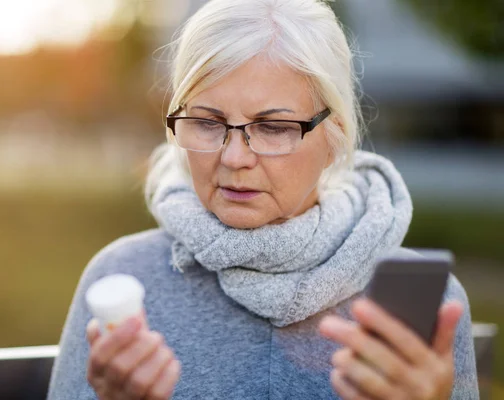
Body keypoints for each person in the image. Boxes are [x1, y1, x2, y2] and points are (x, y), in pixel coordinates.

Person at [47, 0, 479, 398]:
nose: (234, 158)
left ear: (336, 136)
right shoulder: (121, 280)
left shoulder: (425, 311)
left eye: (273, 128)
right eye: (206, 122)